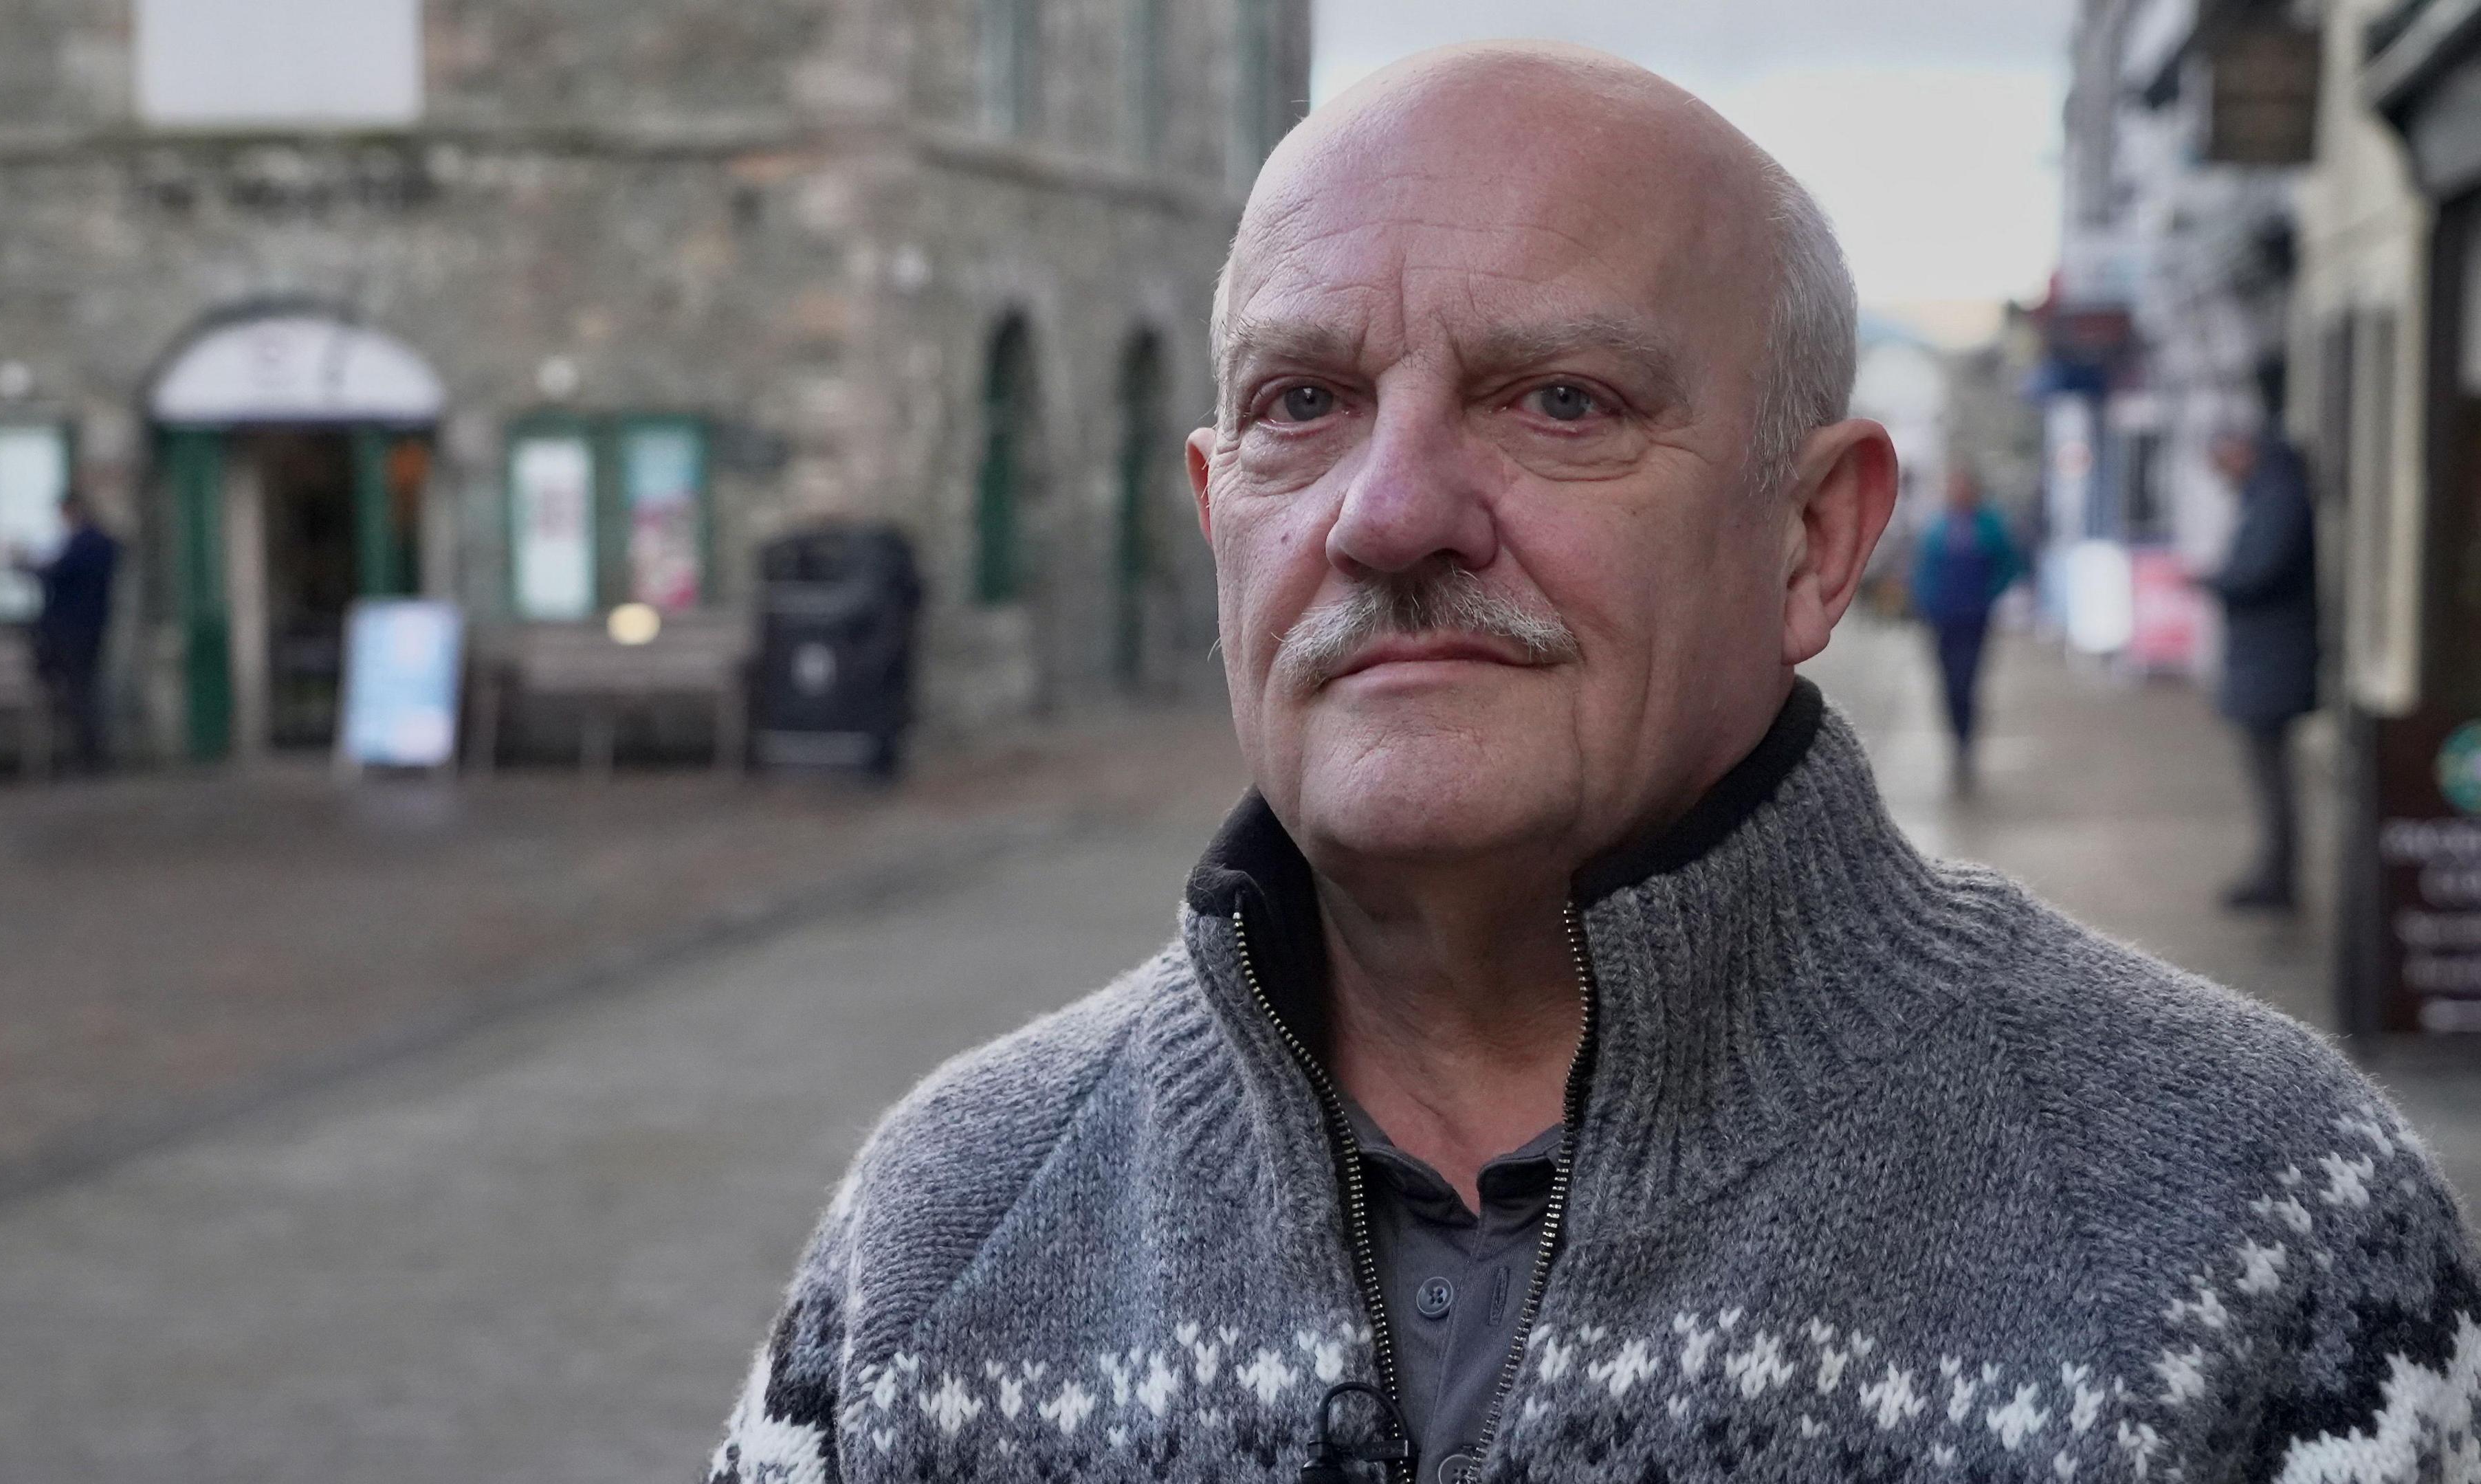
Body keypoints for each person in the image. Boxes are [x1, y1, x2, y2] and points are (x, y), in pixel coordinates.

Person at [709, 45, 2473, 1484]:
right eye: (1299, 404)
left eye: (1557, 400)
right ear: (1213, 512)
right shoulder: (948, 1230)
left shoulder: (2242, 1228)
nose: (1384, 511)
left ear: (1810, 537)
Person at [2204, 429, 2319, 911]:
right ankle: (2274, 872)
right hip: (2269, 656)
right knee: (2267, 774)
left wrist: (2215, 580)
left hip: (2273, 658)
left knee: (2271, 775)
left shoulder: (2277, 499)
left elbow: (2255, 573)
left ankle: (2279, 877)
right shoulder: (2274, 495)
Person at [1907, 467, 2022, 786]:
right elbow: (1923, 569)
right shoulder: (1937, 526)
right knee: (1947, 682)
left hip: (1974, 618)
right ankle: (1954, 739)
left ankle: (1967, 742)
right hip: (1942, 618)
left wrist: (1989, 595)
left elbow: (2011, 564)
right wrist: (1923, 602)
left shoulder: (1990, 525)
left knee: (1967, 680)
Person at [21, 489, 119, 771]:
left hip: (72, 630)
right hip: (90, 626)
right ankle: (91, 753)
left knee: (79, 691)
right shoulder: (99, 542)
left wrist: (32, 568)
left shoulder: (84, 543)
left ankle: (89, 755)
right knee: (85, 689)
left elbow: (59, 573)